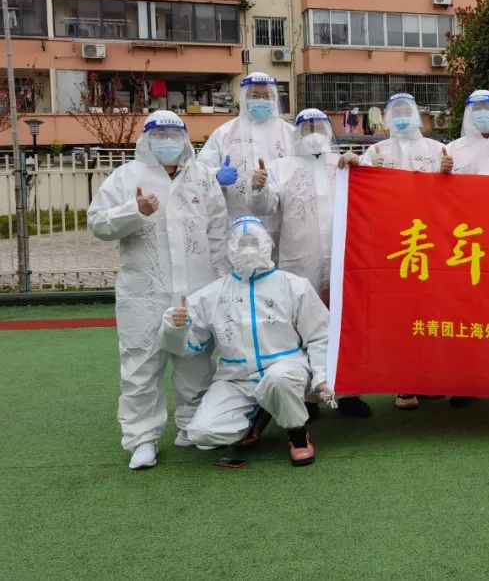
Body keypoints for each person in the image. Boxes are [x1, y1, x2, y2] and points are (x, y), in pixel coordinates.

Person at [88, 111, 228, 469]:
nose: (168, 141)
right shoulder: (127, 176)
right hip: (144, 292)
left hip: (195, 289)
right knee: (140, 365)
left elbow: (218, 230)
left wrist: (218, 279)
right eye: (160, 134)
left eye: (174, 134)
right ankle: (142, 439)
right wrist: (133, 210)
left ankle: (190, 424)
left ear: (185, 138)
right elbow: (98, 223)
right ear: (147, 139)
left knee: (196, 361)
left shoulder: (202, 177)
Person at [161, 216, 331, 467]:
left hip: (287, 368)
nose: (248, 250)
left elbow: (319, 335)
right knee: (203, 434)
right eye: (241, 244)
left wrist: (321, 376)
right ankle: (259, 412)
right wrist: (176, 327)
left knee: (279, 379)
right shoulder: (212, 294)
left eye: (254, 242)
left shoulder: (294, 286)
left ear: (267, 243)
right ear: (230, 248)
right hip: (236, 378)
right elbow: (190, 346)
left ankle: (297, 433)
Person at [249, 109, 369, 418]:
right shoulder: (281, 168)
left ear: (329, 131)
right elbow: (265, 206)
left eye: (319, 126)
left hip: (343, 259)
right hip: (300, 261)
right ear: (297, 133)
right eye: (306, 128)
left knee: (345, 323)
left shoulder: (343, 163)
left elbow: (371, 193)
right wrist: (259, 186)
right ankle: (308, 395)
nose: (313, 133)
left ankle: (348, 391)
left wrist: (361, 166)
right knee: (302, 326)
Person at [361, 92, 447, 411]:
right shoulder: (377, 151)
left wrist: (447, 172)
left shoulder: (438, 149)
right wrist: (363, 168)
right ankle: (404, 382)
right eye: (395, 112)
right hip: (392, 245)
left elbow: (453, 194)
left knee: (433, 311)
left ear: (417, 115)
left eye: (405, 111)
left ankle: (433, 377)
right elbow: (360, 192)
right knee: (400, 314)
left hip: (431, 242)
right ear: (387, 117)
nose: (401, 117)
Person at [196, 72, 294, 242]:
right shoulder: (225, 133)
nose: (261, 100)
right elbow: (199, 171)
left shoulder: (290, 134)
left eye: (267, 96)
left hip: (282, 226)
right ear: (244, 98)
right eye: (254, 96)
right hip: (236, 225)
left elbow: (310, 166)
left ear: (274, 98)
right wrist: (216, 175)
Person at [361, 92, 445, 175]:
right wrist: (370, 166)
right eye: (397, 113)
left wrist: (444, 170)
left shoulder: (437, 149)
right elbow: (360, 170)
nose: (402, 117)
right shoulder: (377, 149)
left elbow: (447, 177)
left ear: (415, 115)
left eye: (407, 112)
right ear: (390, 118)